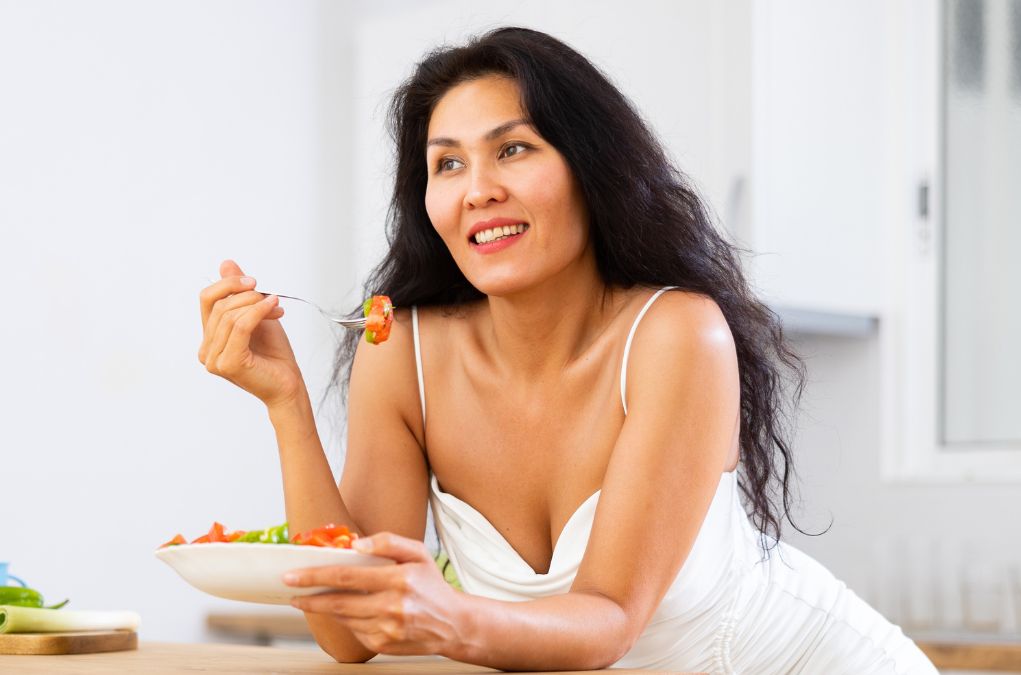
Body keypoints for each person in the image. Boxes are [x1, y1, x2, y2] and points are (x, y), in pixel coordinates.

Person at [197, 26, 937, 674]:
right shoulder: (403, 352)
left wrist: (449, 617)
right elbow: (347, 635)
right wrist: (285, 400)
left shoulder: (676, 334)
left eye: (513, 149)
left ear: (592, 169)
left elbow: (610, 618)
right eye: (447, 164)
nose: (478, 189)